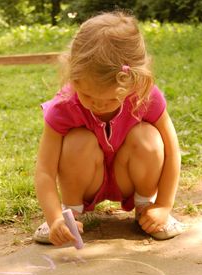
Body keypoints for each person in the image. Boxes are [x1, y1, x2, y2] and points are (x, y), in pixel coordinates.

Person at [34, 11, 184, 246]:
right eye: (87, 95)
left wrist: (164, 205)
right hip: (87, 180)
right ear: (74, 77)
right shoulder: (64, 106)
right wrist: (54, 218)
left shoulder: (144, 96)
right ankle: (70, 214)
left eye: (111, 99)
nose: (97, 105)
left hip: (129, 176)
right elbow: (44, 169)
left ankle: (146, 207)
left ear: (134, 81)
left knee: (149, 137)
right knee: (77, 140)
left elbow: (172, 151)